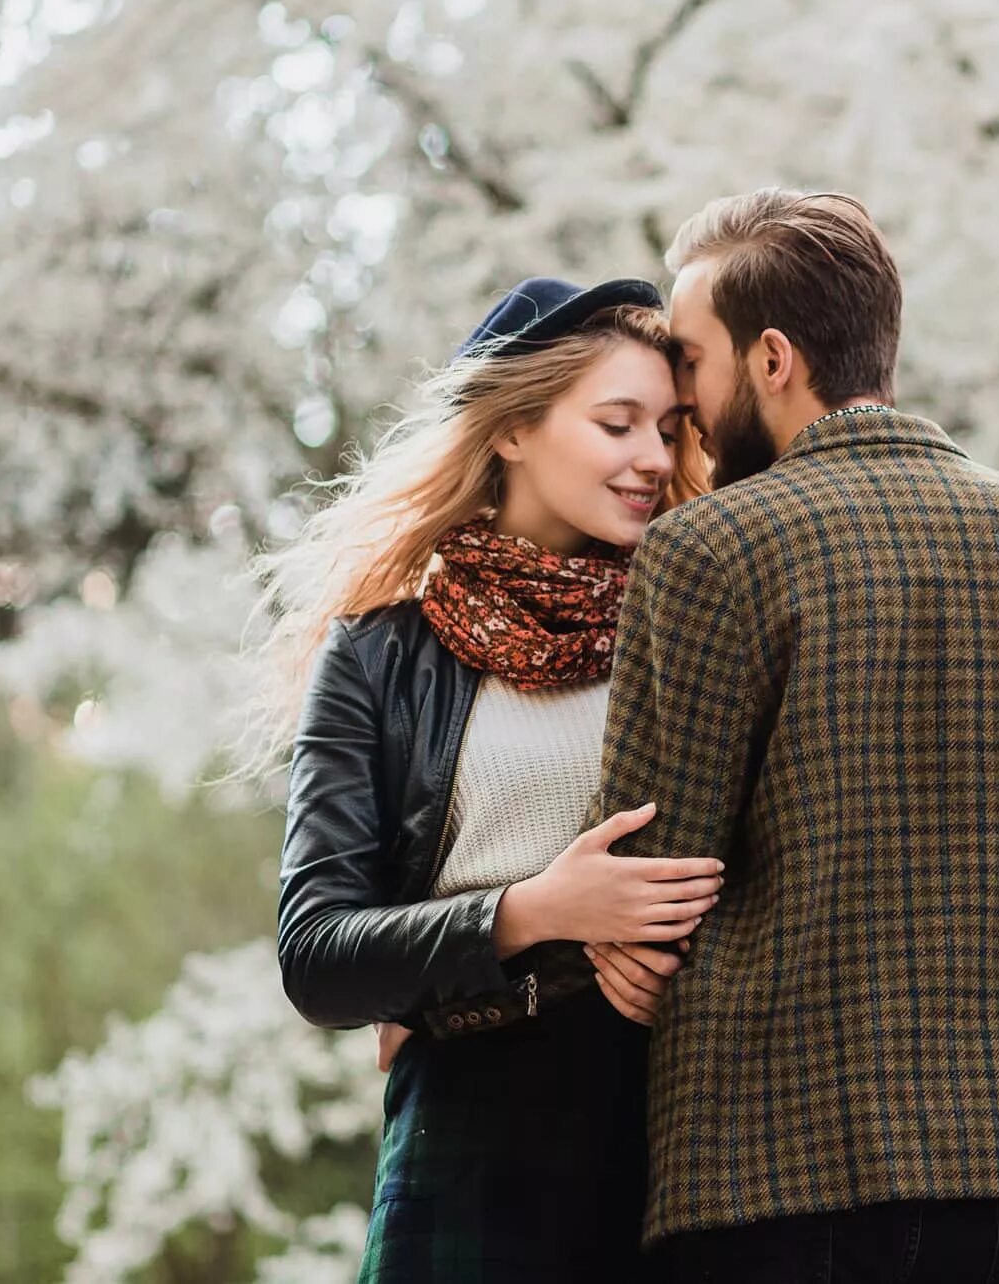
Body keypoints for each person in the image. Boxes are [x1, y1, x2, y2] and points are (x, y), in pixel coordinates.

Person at [599, 189, 999, 1283]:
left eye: (693, 362)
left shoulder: (712, 549)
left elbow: (649, 874)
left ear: (774, 359)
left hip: (773, 1175)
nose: (683, 406)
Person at [258, 276, 724, 1282]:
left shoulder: (697, 625)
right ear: (511, 431)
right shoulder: (380, 654)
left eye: (670, 428)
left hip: (685, 1137)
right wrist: (537, 911)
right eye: (617, 423)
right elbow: (317, 951)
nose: (653, 456)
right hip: (470, 1145)